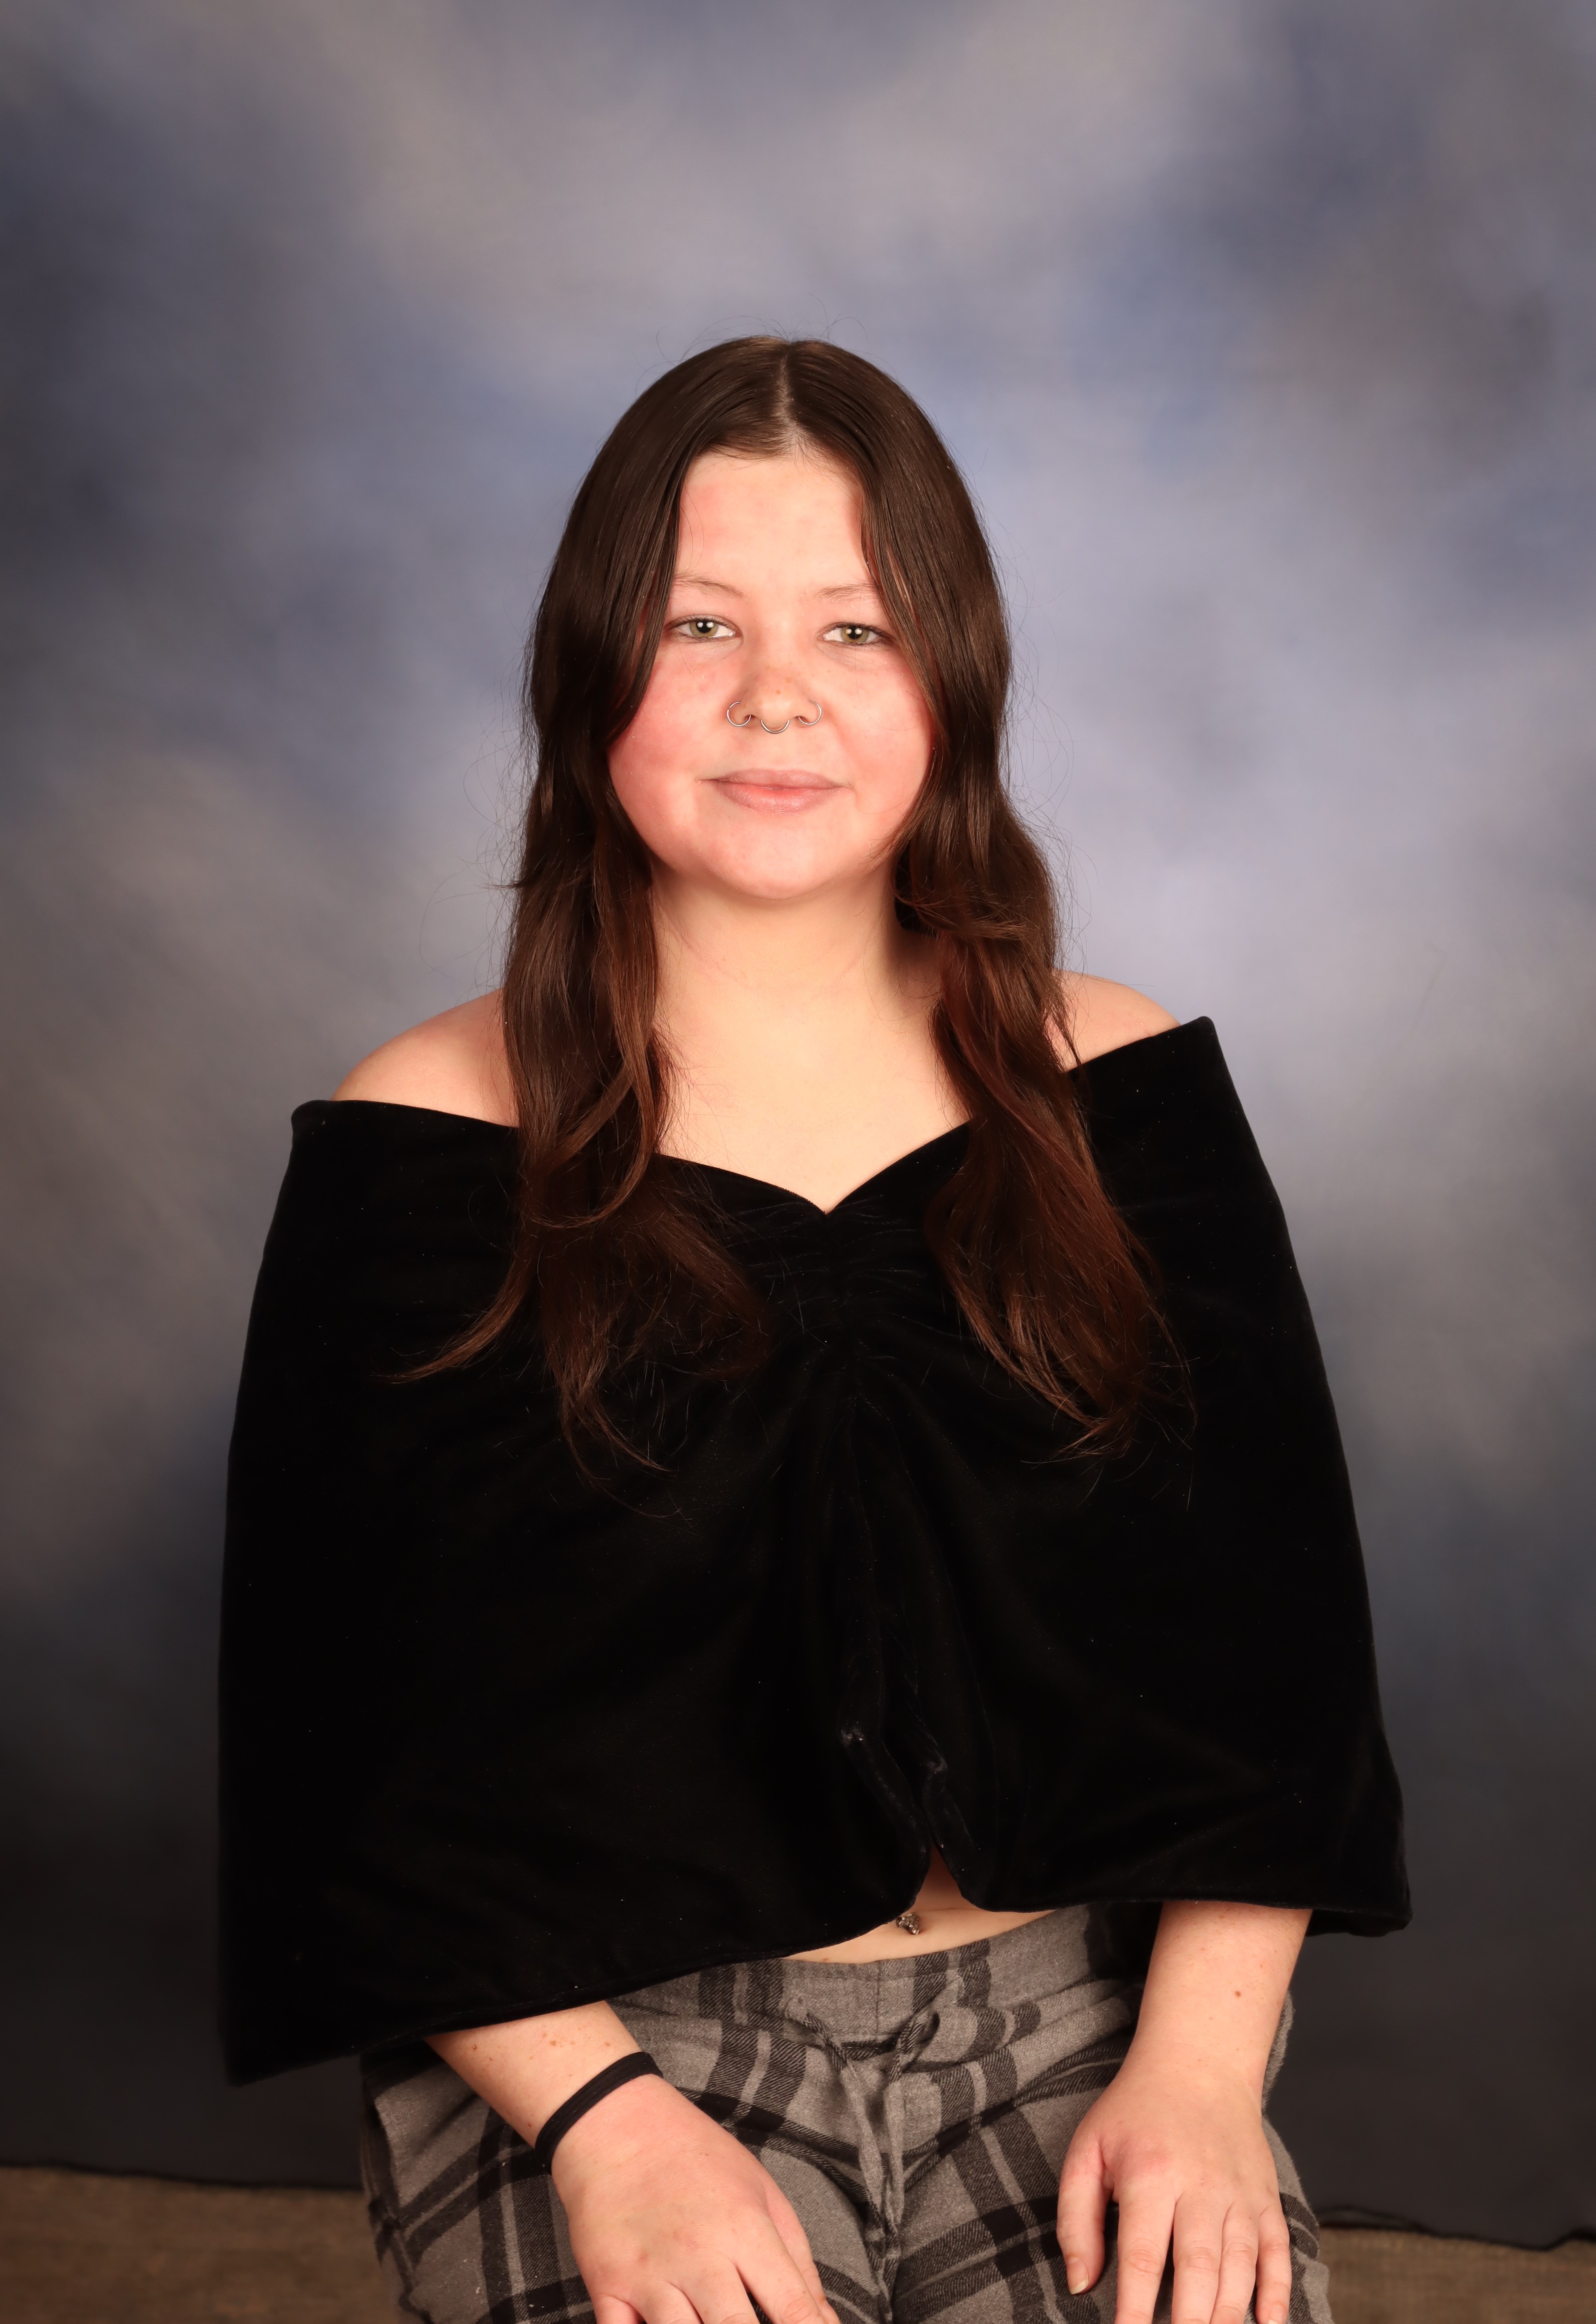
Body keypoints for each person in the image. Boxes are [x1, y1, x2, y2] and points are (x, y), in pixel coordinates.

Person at [220, 339, 1408, 2324]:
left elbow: (1273, 1667)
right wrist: (610, 2128)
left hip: (1076, 2019)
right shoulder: (423, 1135)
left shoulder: (1112, 1087)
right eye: (700, 623)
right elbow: (346, 1742)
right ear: (589, 670)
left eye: (855, 628)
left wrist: (1200, 2081)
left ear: (951, 679)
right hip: (600, 2034)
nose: (777, 691)